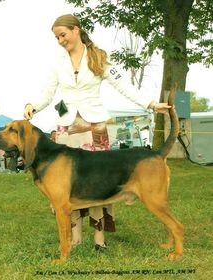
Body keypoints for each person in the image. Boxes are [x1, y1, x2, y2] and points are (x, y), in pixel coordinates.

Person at [23, 14, 171, 251]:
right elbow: (47, 93)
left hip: (95, 127)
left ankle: (99, 240)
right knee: (67, 187)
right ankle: (76, 238)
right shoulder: (57, 64)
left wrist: (151, 104)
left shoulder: (98, 57)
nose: (60, 40)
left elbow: (123, 85)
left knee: (98, 181)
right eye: (56, 37)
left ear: (76, 30)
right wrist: (33, 105)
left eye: (63, 34)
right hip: (67, 128)